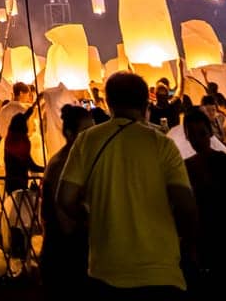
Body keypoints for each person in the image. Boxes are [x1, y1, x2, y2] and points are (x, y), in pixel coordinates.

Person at [57, 69, 195, 296]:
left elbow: (64, 198)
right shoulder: (161, 144)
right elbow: (185, 205)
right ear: (145, 104)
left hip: (106, 270)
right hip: (160, 271)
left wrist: (91, 218)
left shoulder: (87, 140)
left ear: (109, 103)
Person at [182, 106, 226, 295]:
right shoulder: (186, 167)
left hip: (225, 233)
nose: (198, 140)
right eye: (193, 135)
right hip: (203, 235)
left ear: (210, 132)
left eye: (202, 133)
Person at [40, 104, 92, 299]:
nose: (91, 136)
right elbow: (64, 219)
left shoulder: (78, 159)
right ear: (70, 134)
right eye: (85, 131)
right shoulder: (62, 164)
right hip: (65, 252)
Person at [2, 110, 42, 191]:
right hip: (19, 184)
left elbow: (21, 119)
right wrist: (47, 169)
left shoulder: (11, 136)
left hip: (12, 183)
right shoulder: (20, 143)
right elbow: (32, 166)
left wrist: (31, 110)